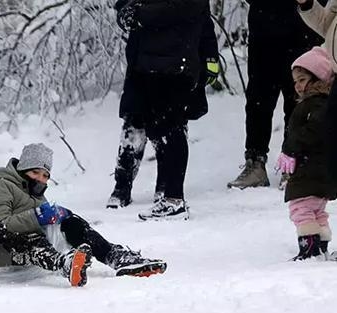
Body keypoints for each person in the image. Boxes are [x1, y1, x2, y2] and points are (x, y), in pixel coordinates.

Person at [0, 143, 168, 282]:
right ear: (22, 169)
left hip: (28, 246)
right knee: (34, 240)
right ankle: (65, 264)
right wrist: (37, 216)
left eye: (45, 176)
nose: (41, 180)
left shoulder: (36, 194)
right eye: (35, 173)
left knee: (72, 223)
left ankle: (115, 256)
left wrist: (61, 220)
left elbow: (38, 221)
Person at [107, 4, 218, 213]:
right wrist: (126, 13)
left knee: (169, 127)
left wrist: (210, 55)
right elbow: (124, 8)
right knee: (137, 122)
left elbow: (188, 12)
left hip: (174, 63)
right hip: (143, 62)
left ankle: (170, 192)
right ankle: (124, 186)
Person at [227, 0, 322, 189]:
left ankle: (294, 163)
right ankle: (255, 161)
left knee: (298, 101)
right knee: (258, 101)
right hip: (263, 32)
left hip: (302, 31)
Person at [276, 46, 336, 260]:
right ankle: (321, 245)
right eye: (295, 81)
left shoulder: (317, 106)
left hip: (311, 169)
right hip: (319, 172)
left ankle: (309, 246)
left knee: (300, 208)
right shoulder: (320, 104)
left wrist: (290, 148)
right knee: (316, 210)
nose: (298, 86)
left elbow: (312, 132)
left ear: (318, 78)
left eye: (302, 80)